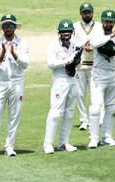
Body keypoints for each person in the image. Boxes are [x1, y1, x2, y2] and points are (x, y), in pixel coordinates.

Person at [0, 14, 28, 158]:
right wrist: (2, 53)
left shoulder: (21, 42)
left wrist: (14, 54)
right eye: (6, 25)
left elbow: (25, 64)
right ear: (2, 27)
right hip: (0, 83)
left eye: (10, 25)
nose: (8, 28)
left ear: (14, 27)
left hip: (17, 82)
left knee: (15, 115)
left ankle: (9, 146)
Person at [87, 9, 115, 148]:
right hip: (99, 74)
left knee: (112, 107)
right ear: (102, 21)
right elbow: (95, 44)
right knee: (95, 108)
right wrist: (112, 36)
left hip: (113, 74)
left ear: (114, 22)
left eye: (110, 21)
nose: (108, 23)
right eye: (106, 21)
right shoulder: (97, 33)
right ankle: (93, 138)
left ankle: (107, 137)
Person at [43, 19, 82, 154]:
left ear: (72, 32)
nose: (66, 34)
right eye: (63, 32)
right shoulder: (53, 46)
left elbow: (78, 63)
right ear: (59, 33)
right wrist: (67, 61)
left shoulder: (75, 45)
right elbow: (51, 63)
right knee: (55, 113)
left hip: (72, 80)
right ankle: (48, 143)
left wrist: (75, 63)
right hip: (59, 82)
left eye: (68, 32)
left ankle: (63, 143)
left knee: (69, 113)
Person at [72, 3, 96, 132]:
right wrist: (83, 46)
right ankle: (84, 121)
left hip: (95, 66)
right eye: (84, 12)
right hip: (80, 66)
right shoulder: (75, 26)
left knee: (95, 95)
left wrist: (93, 47)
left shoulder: (98, 27)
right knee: (80, 94)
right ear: (81, 13)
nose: (87, 14)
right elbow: (72, 44)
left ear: (93, 13)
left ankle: (96, 120)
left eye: (89, 12)